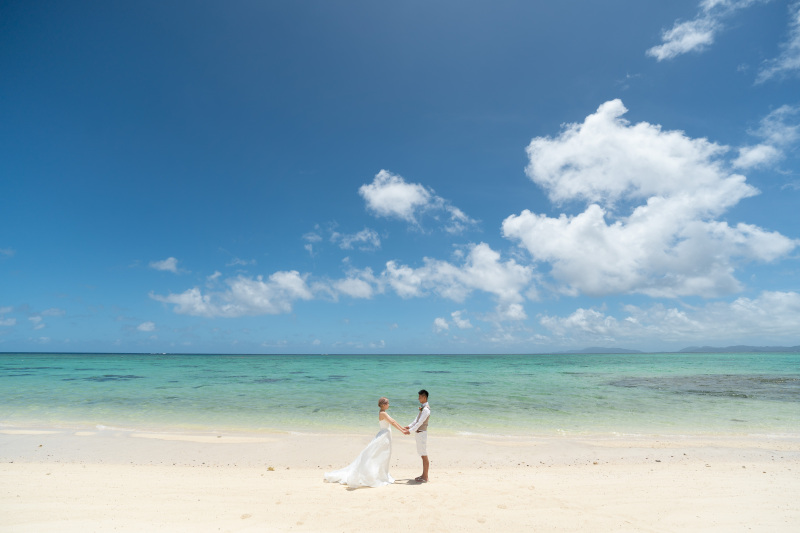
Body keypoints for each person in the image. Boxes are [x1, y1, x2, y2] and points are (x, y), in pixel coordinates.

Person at [324, 397, 409, 488]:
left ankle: (382, 475)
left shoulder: (383, 413)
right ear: (384, 405)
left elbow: (393, 421)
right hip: (384, 436)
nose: (389, 404)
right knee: (380, 456)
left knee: (383, 456)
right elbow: (392, 422)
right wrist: (402, 431)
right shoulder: (383, 413)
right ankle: (377, 476)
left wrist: (403, 428)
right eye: (388, 403)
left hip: (385, 435)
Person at [404, 389, 430, 483]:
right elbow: (416, 420)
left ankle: (425, 476)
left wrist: (410, 431)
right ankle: (423, 475)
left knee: (424, 455)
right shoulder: (423, 408)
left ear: (424, 397)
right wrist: (409, 426)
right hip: (419, 433)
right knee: (422, 454)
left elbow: (420, 423)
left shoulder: (426, 409)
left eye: (420, 397)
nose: (418, 398)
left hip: (422, 433)